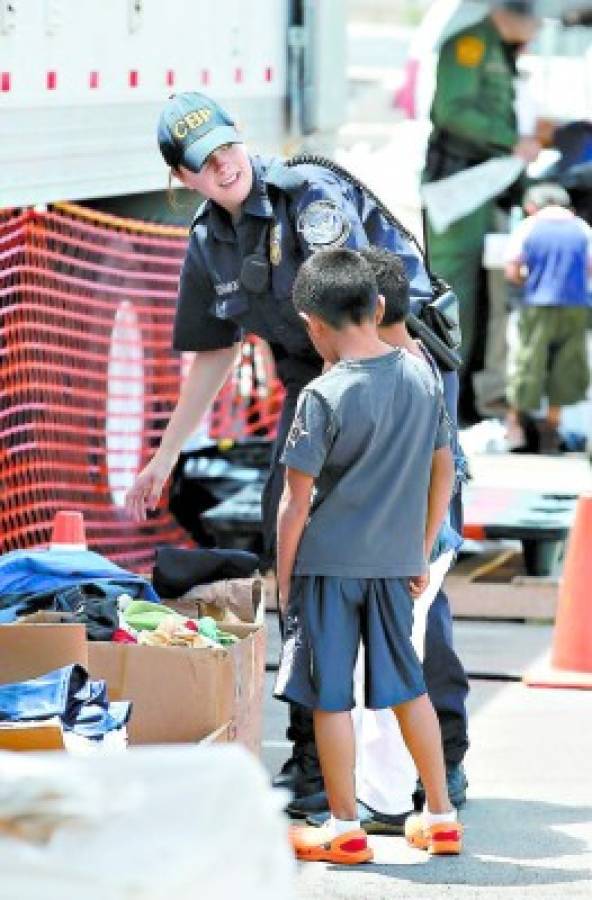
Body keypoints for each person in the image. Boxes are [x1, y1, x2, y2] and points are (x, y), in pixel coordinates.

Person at [124, 89, 468, 811]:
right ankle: (316, 763)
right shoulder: (207, 240)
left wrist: (425, 427)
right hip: (313, 390)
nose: (223, 163)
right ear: (179, 176)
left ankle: (443, 762)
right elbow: (213, 354)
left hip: (392, 378)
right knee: (308, 572)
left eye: (226, 145)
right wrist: (164, 455)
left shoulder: (310, 198)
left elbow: (379, 316)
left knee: (410, 566)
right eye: (203, 160)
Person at [274, 248, 462, 863]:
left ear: (313, 324)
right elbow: (445, 471)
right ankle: (439, 815)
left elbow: (294, 505)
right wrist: (421, 545)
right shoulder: (422, 377)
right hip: (395, 564)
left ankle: (344, 826)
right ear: (379, 306)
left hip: (329, 569)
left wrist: (283, 583)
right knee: (409, 688)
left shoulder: (321, 397)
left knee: (332, 697)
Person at [423, 0, 541, 423]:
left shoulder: (503, 51)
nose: (540, 31)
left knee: (484, 305)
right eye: (538, 21)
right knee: (452, 297)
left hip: (487, 192)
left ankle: (466, 404)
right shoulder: (471, 44)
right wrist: (512, 139)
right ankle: (439, 403)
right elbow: (451, 111)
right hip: (457, 191)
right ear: (514, 14)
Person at [505, 182, 592, 452]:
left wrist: (527, 281)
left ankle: (516, 429)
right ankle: (551, 434)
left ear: (532, 206)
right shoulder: (582, 228)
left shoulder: (528, 227)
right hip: (576, 306)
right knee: (566, 367)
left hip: (537, 305)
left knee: (528, 363)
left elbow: (513, 270)